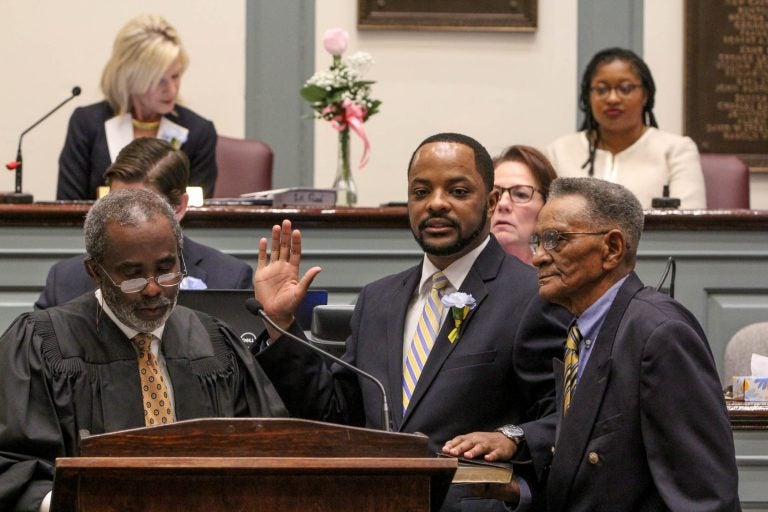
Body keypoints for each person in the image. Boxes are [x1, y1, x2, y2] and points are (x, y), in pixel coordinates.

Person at [253, 133, 568, 511]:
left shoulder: (533, 296)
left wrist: (512, 436)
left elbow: (568, 417)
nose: (436, 204)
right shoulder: (378, 299)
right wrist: (281, 323)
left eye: (457, 191)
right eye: (421, 192)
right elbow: (339, 416)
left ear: (491, 201)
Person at [443, 177, 739, 511]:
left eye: (556, 240)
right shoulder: (580, 336)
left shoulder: (659, 333)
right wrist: (518, 491)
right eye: (538, 241)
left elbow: (706, 496)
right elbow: (593, 482)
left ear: (612, 248)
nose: (539, 256)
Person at [0, 189, 286, 511]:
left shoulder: (215, 342)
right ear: (95, 271)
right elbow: (11, 466)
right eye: (133, 275)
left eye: (167, 269)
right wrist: (74, 502)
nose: (153, 289)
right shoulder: (42, 344)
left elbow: (271, 450)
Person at [38, 138, 251, 310]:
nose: (126, 221)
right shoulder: (66, 281)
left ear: (178, 207)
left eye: (143, 209)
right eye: (117, 205)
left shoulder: (228, 279)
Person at [57, 14, 217, 200]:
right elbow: (67, 206)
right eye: (159, 81)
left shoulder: (198, 131)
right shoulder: (86, 124)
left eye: (175, 76)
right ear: (131, 78)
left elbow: (201, 215)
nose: (171, 90)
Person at [545, 47, 706, 210]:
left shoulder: (676, 151)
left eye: (625, 88)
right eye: (601, 90)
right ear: (588, 97)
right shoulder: (559, 152)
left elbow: (689, 226)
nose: (613, 98)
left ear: (645, 95)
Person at [491, 145, 557, 264]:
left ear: (546, 207)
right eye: (495, 194)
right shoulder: (456, 274)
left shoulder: (566, 277)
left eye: (521, 194)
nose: (503, 204)